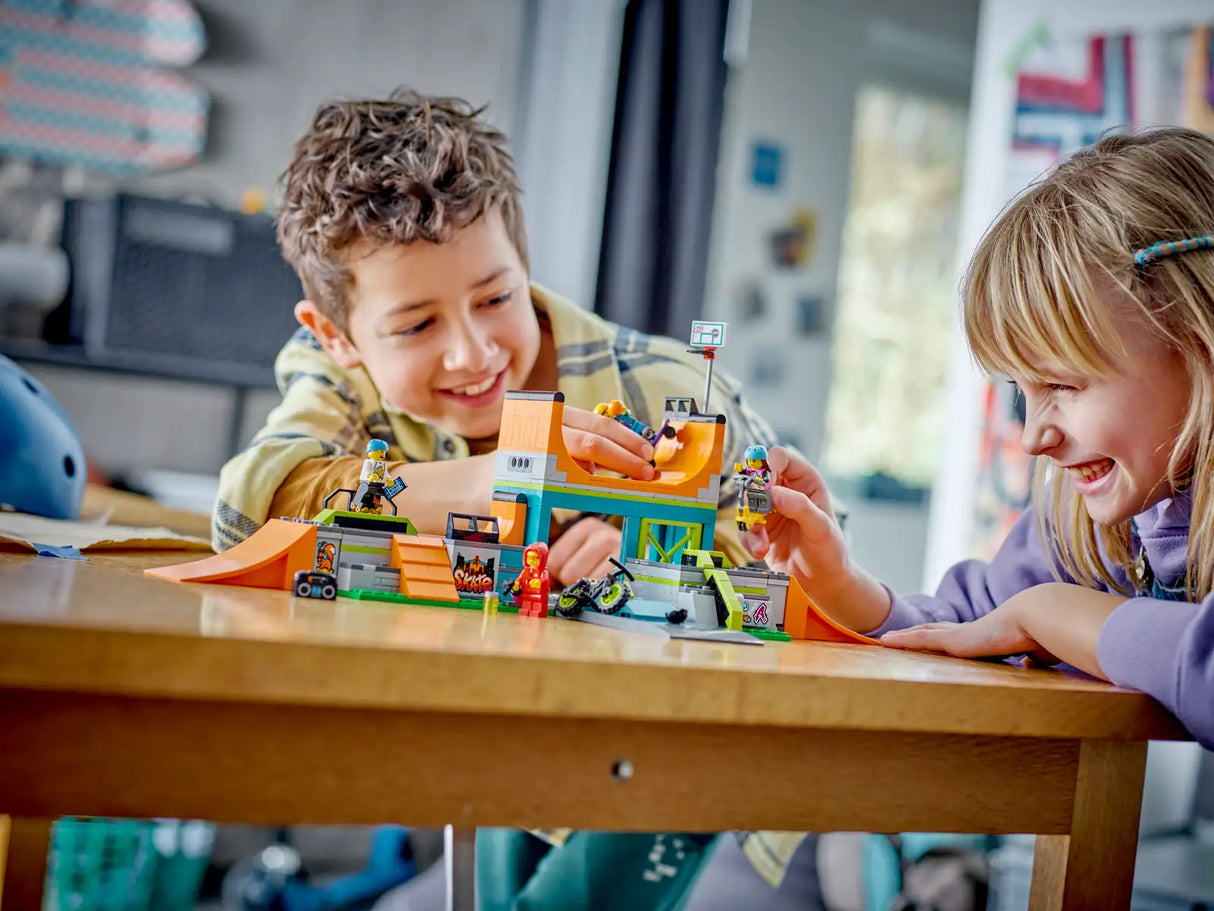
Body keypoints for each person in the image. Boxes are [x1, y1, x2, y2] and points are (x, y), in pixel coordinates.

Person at [210, 87, 780, 909]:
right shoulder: (337, 376)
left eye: (495, 298)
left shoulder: (667, 389)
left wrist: (665, 564)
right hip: (509, 719)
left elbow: (790, 550)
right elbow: (248, 505)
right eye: (414, 326)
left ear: (524, 261)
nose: (473, 352)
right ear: (336, 336)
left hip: (673, 735)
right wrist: (486, 475)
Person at [743, 126, 1214, 750]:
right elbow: (972, 628)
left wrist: (1054, 614)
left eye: (1065, 386)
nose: (1034, 438)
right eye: (1024, 391)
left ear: (1199, 341)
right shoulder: (1084, 520)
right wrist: (836, 582)